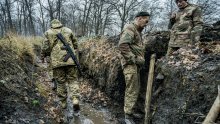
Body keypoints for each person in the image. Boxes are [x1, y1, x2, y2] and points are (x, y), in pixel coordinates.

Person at [41, 19, 80, 112]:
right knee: (73, 80)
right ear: (60, 24)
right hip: (70, 61)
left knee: (60, 82)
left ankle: (63, 103)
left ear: (52, 25)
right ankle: (75, 99)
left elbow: (45, 48)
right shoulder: (69, 30)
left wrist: (43, 55)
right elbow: (75, 44)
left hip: (57, 63)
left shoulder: (48, 32)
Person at [118, 11, 150, 124]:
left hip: (134, 65)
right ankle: (128, 116)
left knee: (135, 88)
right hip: (130, 64)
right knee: (132, 89)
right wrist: (134, 59)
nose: (147, 24)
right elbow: (122, 45)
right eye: (146, 21)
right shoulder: (130, 28)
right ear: (139, 18)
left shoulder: (137, 31)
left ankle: (131, 112)